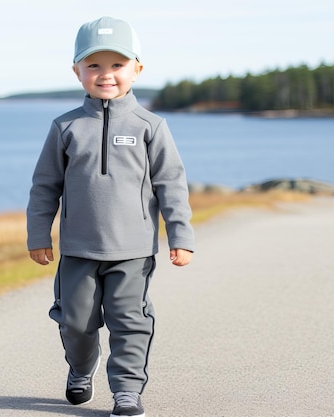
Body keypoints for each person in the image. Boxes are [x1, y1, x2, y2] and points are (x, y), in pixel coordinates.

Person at [26, 16, 195, 417]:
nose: (106, 75)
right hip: (79, 249)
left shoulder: (150, 126)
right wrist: (38, 234)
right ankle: (81, 369)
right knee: (76, 323)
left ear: (137, 68)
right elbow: (45, 185)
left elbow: (172, 183)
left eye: (117, 65)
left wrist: (180, 235)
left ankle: (126, 392)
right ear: (77, 71)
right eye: (94, 65)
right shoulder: (65, 126)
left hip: (133, 250)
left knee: (129, 322)